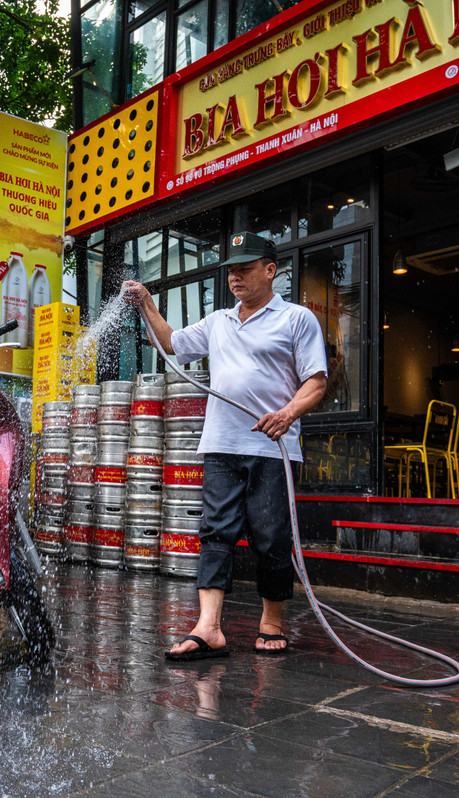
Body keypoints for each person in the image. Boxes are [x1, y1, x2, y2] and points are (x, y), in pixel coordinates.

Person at [123, 232, 327, 660]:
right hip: (220, 445)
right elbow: (171, 343)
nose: (235, 276)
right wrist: (146, 303)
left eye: (245, 268)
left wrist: (288, 414)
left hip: (273, 447)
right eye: (231, 269)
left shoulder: (296, 319)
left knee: (271, 538)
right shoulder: (218, 321)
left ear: (271, 271)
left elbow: (316, 382)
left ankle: (271, 622)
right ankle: (209, 627)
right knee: (215, 532)